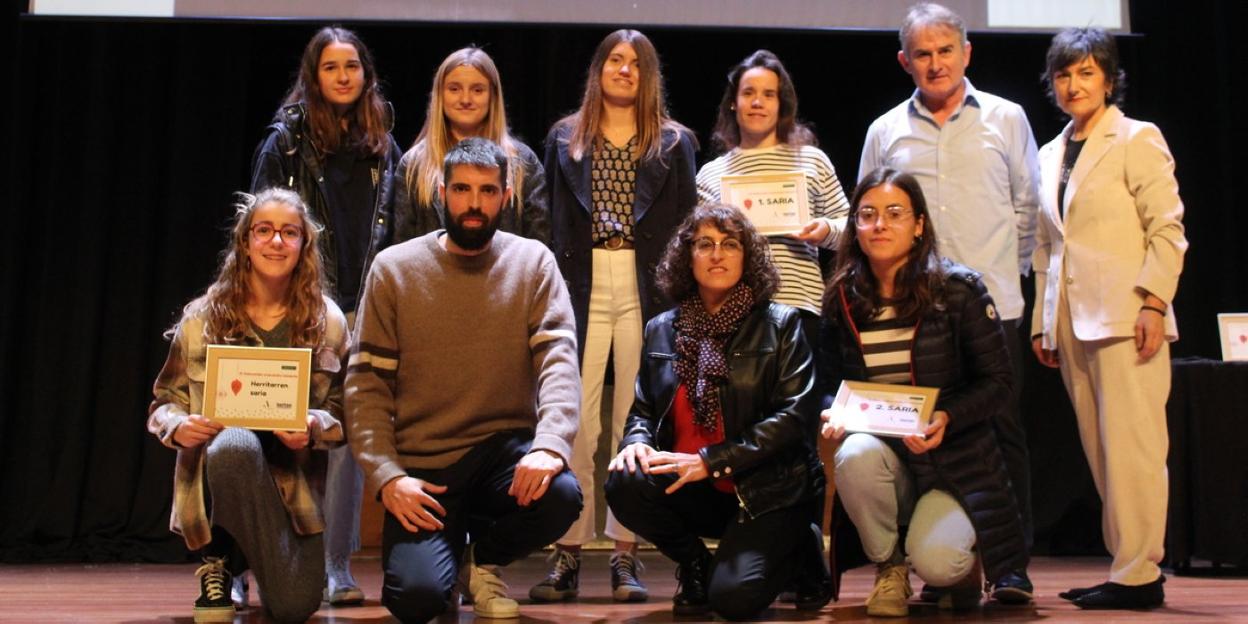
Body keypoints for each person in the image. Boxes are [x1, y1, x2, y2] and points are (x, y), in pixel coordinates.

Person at [347, 137, 582, 622]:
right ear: (441, 191)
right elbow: (366, 387)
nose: (474, 204)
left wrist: (551, 444)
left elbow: (559, 363)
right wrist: (387, 477)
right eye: (461, 189)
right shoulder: (393, 270)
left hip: (502, 456)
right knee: (417, 601)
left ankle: (482, 560)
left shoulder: (533, 262)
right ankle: (447, 560)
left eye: (487, 191)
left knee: (561, 494)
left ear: (506, 195)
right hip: (424, 471)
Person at [858, 3, 1039, 599]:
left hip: (992, 307)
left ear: (966, 53)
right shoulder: (885, 130)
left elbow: (1027, 208)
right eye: (923, 54)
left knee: (1000, 434)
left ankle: (1011, 569)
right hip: (916, 313)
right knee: (922, 436)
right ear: (904, 61)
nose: (935, 63)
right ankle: (946, 562)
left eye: (945, 51)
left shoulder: (1007, 118)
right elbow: (870, 210)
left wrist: (994, 284)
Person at [820, 168, 1031, 617]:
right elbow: (829, 384)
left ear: (918, 225)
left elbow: (999, 383)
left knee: (938, 564)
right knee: (853, 454)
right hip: (887, 460)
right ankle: (889, 568)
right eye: (868, 215)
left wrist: (947, 417)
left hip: (953, 461)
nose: (880, 225)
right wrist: (832, 412)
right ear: (854, 227)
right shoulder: (843, 297)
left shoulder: (958, 290)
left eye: (894, 214)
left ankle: (959, 567)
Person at [604, 203, 830, 619]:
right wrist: (636, 441)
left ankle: (801, 547)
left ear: (748, 256)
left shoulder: (781, 324)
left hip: (766, 489)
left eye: (730, 244)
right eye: (704, 244)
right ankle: (694, 564)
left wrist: (712, 461)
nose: (717, 254)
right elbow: (643, 409)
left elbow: (795, 418)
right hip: (692, 485)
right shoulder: (662, 328)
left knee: (733, 601)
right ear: (686, 256)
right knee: (624, 480)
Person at [1031, 27, 1186, 610]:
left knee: (1135, 449)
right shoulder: (1051, 152)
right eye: (1065, 75)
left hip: (1127, 315)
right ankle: (1127, 566)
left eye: (1087, 72)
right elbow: (1048, 246)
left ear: (1110, 78)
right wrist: (1043, 322)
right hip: (1073, 320)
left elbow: (1167, 229)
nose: (1074, 85)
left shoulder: (1136, 138)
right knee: (1101, 449)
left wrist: (1153, 302)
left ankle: (1139, 573)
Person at [541, 28, 698, 603]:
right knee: (575, 416)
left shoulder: (674, 142)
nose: (624, 70)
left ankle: (627, 554)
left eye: (636, 62)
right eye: (615, 60)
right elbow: (552, 223)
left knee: (636, 417)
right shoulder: (565, 138)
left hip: (644, 282)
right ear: (599, 70)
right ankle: (567, 551)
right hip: (580, 283)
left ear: (648, 74)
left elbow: (685, 228)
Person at [249, 25, 403, 606]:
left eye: (352, 67)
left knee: (345, 429)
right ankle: (254, 563)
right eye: (331, 68)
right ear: (313, 76)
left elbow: (394, 226)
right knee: (273, 428)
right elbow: (263, 227)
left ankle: (336, 566)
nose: (343, 77)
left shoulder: (382, 142)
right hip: (300, 302)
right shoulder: (283, 141)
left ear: (365, 75)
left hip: (364, 306)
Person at [148, 188, 351, 623]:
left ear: (304, 244)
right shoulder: (203, 317)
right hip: (219, 477)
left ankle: (261, 563)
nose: (276, 242)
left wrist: (314, 425)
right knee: (234, 445)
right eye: (264, 230)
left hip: (291, 495)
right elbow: (164, 401)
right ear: (245, 241)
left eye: (289, 232)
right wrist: (178, 426)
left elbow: (345, 412)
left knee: (296, 607)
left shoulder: (327, 321)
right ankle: (220, 563)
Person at [695, 49, 851, 344]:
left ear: (782, 105)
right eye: (748, 93)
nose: (757, 102)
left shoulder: (812, 161)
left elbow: (852, 232)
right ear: (733, 103)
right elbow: (698, 248)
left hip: (801, 310)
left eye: (769, 94)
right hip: (730, 311)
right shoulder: (710, 175)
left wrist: (825, 230)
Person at [391, 46, 549, 245]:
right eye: (454, 89)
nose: (465, 99)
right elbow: (402, 247)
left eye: (477, 90)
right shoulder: (414, 164)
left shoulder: (523, 162)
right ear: (440, 95)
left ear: (493, 96)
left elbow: (538, 244)